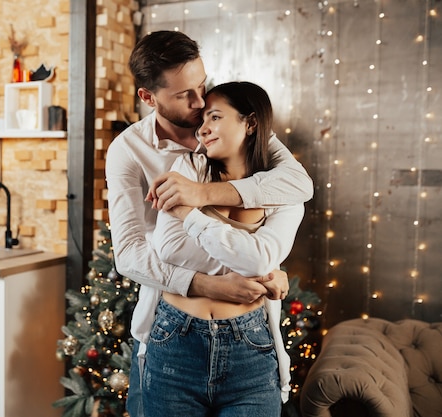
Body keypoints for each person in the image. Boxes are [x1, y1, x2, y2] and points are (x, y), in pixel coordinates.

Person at [105, 30, 313, 417]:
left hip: (249, 334)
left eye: (202, 85)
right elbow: (132, 255)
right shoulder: (129, 152)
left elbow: (299, 184)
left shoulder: (232, 122)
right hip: (169, 325)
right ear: (148, 98)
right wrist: (215, 284)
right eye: (185, 95)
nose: (200, 104)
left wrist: (199, 198)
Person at [143, 81, 305, 416]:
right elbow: (169, 247)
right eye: (202, 119)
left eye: (214, 117)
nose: (202, 129)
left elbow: (260, 258)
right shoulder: (190, 169)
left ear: (250, 123)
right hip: (176, 340)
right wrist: (254, 267)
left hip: (249, 350)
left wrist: (190, 213)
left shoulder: (285, 190)